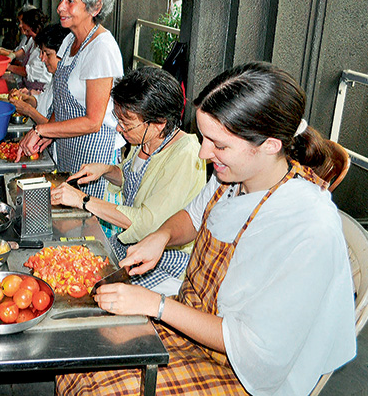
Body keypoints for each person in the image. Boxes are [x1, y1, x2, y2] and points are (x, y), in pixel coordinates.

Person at [57, 62, 356, 395]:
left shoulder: (307, 226)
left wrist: (157, 305)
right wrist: (161, 237)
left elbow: (253, 349)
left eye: (219, 145)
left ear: (270, 144)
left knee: (102, 389)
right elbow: (193, 216)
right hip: (194, 322)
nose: (203, 152)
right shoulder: (234, 177)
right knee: (81, 354)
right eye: (204, 139)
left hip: (242, 372)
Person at [51, 67, 206, 294]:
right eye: (118, 119)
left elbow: (147, 223)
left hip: (164, 262)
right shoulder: (146, 139)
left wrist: (83, 200)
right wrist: (106, 170)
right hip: (134, 249)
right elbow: (134, 178)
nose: (118, 128)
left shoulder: (185, 154)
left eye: (126, 122)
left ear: (159, 122)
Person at [18, 0, 125, 200]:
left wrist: (41, 128)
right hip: (69, 148)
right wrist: (50, 133)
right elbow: (63, 102)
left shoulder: (101, 49)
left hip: (94, 154)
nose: (60, 7)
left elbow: (92, 122)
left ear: (95, 6)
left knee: (88, 227)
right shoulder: (68, 42)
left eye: (70, 1)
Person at [9, 23, 69, 125]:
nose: (42, 58)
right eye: (41, 53)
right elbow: (42, 101)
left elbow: (55, 127)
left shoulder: (69, 85)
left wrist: (28, 110)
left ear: (64, 54)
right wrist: (26, 98)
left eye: (47, 54)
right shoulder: (56, 77)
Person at [0, 7, 50, 91]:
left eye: (27, 31)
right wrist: (12, 55)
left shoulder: (44, 46)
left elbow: (27, 71)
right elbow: (24, 52)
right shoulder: (32, 39)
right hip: (27, 84)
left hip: (38, 88)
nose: (24, 33)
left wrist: (8, 67)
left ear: (36, 28)